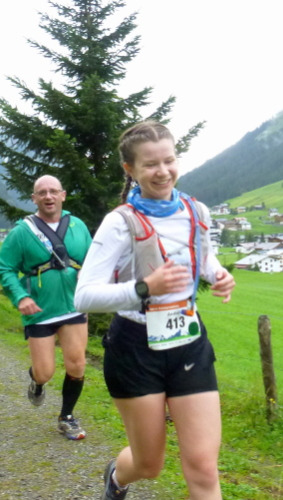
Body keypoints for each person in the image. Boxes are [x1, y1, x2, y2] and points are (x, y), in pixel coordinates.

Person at [74, 121, 236, 500]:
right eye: (150, 164)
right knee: (149, 465)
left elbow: (202, 256)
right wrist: (145, 288)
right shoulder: (120, 222)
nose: (163, 171)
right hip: (135, 347)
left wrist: (218, 274)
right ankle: (117, 477)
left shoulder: (197, 210)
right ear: (130, 169)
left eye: (169, 160)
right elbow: (83, 297)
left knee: (204, 467)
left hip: (188, 341)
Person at [0, 175, 93, 440]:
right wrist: (20, 298)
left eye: (53, 191)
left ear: (63, 195)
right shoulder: (22, 232)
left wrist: (90, 279)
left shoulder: (78, 226)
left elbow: (93, 260)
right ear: (34, 198)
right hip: (39, 310)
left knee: (77, 364)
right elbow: (4, 268)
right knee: (45, 371)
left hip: (74, 306)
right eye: (42, 192)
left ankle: (67, 418)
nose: (48, 196)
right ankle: (37, 380)